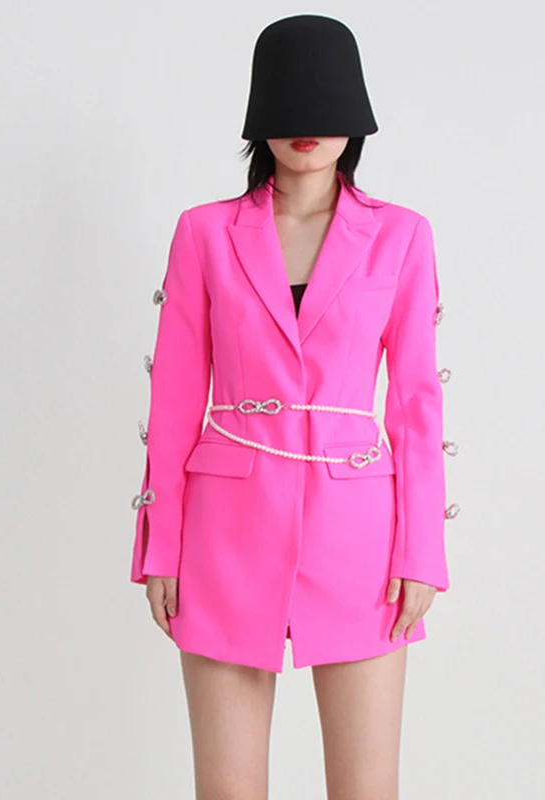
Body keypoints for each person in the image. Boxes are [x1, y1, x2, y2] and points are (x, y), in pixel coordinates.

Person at [129, 13, 459, 799]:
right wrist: (160, 546)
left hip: (361, 539)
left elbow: (415, 403)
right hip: (224, 536)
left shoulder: (402, 237)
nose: (306, 126)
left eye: (327, 102)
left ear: (356, 113)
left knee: (366, 789)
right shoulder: (204, 234)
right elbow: (175, 398)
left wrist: (422, 551)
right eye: (288, 100)